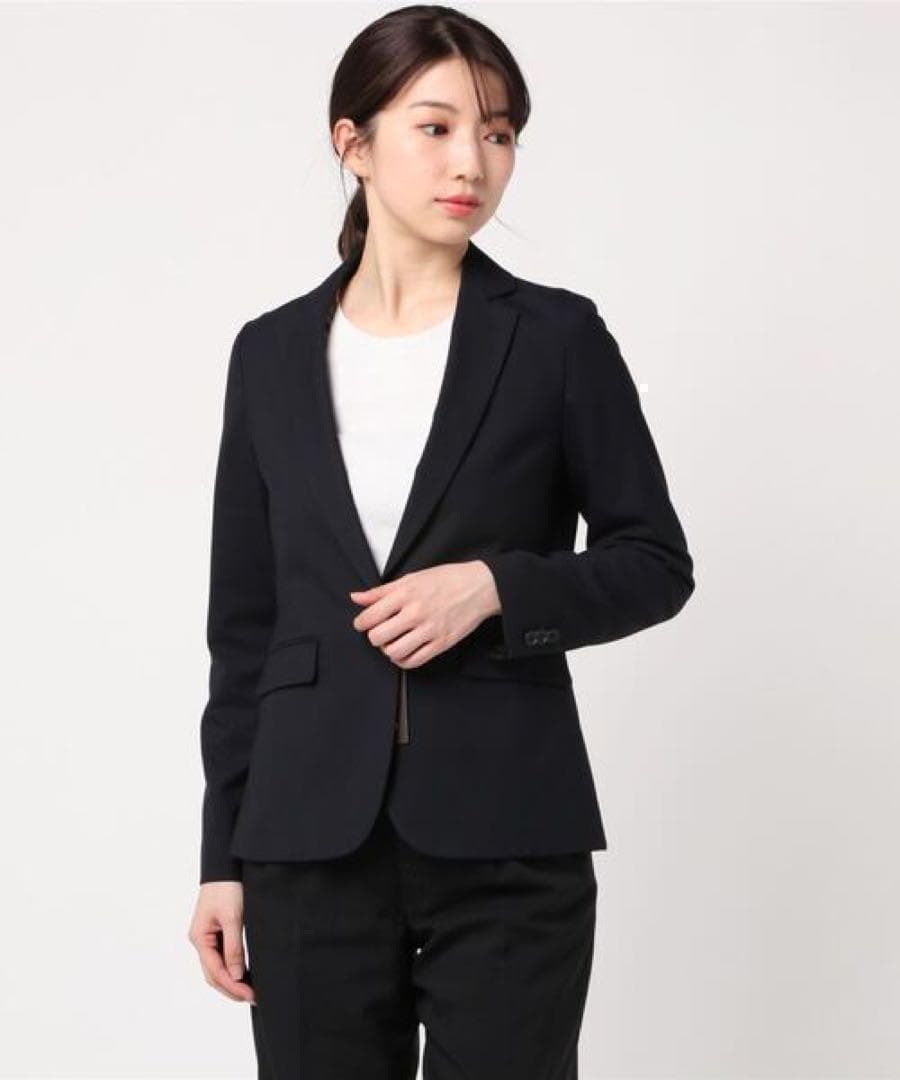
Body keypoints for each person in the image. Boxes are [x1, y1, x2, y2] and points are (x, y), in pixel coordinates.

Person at [188, 5, 695, 1077]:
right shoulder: (268, 355)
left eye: (499, 133)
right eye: (437, 127)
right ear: (354, 143)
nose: (474, 161)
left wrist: (498, 588)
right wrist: (222, 856)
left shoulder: (557, 338)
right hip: (304, 843)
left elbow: (654, 563)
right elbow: (246, 631)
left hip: (508, 836)